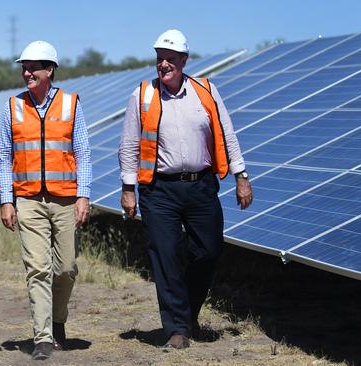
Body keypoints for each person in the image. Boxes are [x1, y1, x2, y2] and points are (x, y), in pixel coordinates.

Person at [118, 29, 253, 350]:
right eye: (159, 59)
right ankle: (177, 328)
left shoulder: (205, 91)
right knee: (165, 255)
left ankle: (188, 313)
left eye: (170, 59)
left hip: (201, 185)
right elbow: (128, 145)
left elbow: (227, 133)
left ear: (184, 61)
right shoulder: (142, 96)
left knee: (208, 251)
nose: (163, 65)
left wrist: (241, 175)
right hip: (159, 189)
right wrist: (127, 188)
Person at [0, 40, 91, 361]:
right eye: (23, 67)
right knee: (37, 269)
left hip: (65, 200)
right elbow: (3, 155)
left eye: (33, 67)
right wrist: (6, 200)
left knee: (65, 269)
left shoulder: (70, 104)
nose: (26, 72)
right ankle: (43, 337)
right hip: (28, 199)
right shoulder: (12, 106)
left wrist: (84, 195)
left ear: (49, 69)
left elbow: (83, 153)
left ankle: (58, 320)